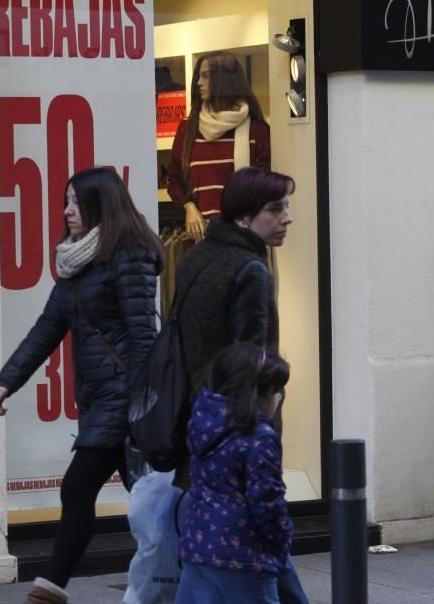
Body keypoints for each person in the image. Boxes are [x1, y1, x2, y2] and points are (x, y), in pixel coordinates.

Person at [0, 166, 165, 604]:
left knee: (79, 488)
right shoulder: (77, 261)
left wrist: (142, 406)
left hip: (124, 398)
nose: (66, 211)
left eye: (74, 202)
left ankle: (48, 590)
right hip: (102, 398)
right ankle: (188, 575)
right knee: (151, 500)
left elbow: (143, 336)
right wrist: (6, 383)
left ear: (100, 204)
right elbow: (47, 329)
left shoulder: (130, 256)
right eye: (65, 202)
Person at [172, 166, 308, 603]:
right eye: (274, 209)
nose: (286, 218)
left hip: (201, 422)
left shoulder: (197, 257)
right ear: (243, 218)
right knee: (260, 554)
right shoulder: (250, 269)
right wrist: (266, 419)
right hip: (240, 429)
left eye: (286, 207)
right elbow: (253, 361)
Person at [175, 342, 293, 603]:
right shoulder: (259, 437)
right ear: (261, 393)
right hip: (243, 555)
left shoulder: (203, 426)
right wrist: (282, 537)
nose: (280, 398)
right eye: (277, 391)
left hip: (198, 547)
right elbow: (267, 503)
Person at [166, 51, 271, 243]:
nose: (199, 83)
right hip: (201, 241)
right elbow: (173, 178)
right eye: (199, 76)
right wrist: (188, 207)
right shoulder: (188, 129)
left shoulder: (256, 131)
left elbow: (265, 188)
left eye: (206, 76)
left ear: (224, 79)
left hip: (243, 240)